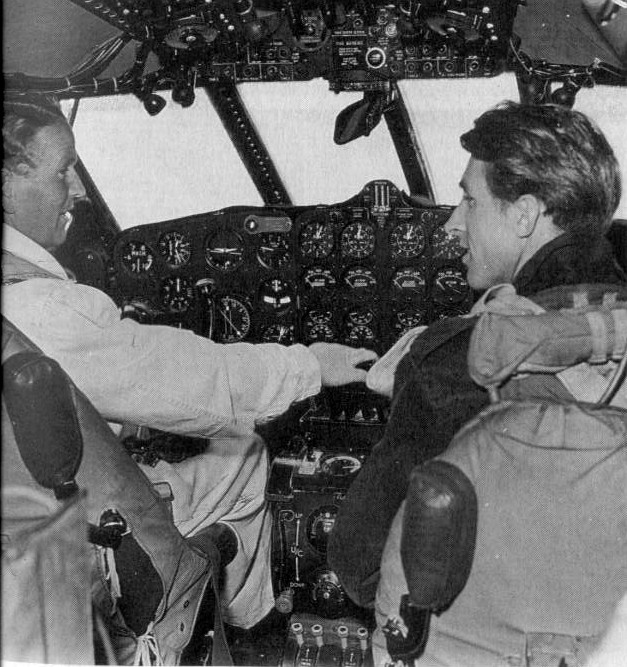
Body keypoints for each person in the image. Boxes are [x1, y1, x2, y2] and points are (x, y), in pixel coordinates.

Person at [1, 94, 378, 631]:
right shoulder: (42, 306)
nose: (81, 190)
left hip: (23, 525)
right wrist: (311, 364)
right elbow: (193, 383)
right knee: (242, 451)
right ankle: (246, 629)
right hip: (85, 536)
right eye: (64, 171)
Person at [328, 100, 626, 607]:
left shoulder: (455, 358)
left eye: (470, 201)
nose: (451, 224)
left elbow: (358, 564)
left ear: (525, 214)